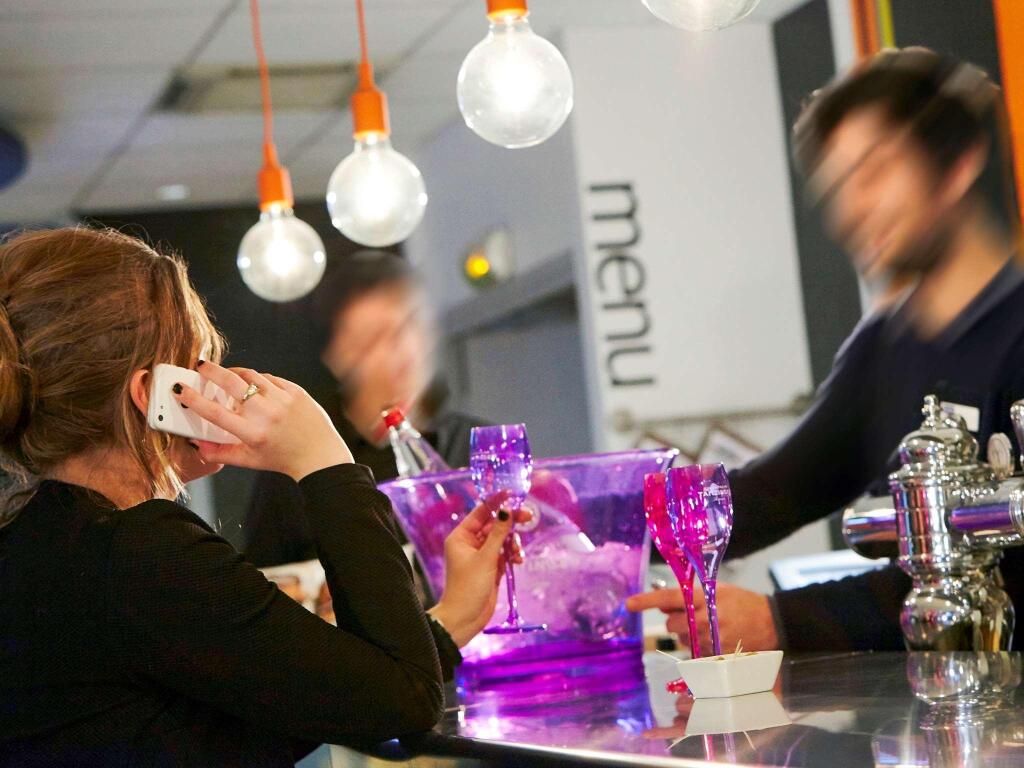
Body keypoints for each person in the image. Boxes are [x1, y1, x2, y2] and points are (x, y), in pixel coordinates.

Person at [0, 227, 520, 766]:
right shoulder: (141, 552)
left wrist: (451, 619)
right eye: (197, 364)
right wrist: (325, 462)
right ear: (151, 394)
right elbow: (401, 704)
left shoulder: (39, 544)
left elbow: (314, 708)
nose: (214, 382)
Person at [629, 48, 1024, 653]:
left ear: (957, 164)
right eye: (838, 186)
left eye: (875, 171)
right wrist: (592, 511)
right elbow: (768, 496)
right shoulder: (885, 347)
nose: (853, 207)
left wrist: (782, 621)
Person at [245, 251, 483, 572]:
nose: (403, 350)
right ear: (338, 357)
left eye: (410, 325)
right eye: (375, 338)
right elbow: (269, 578)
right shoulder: (293, 463)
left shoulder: (476, 447)